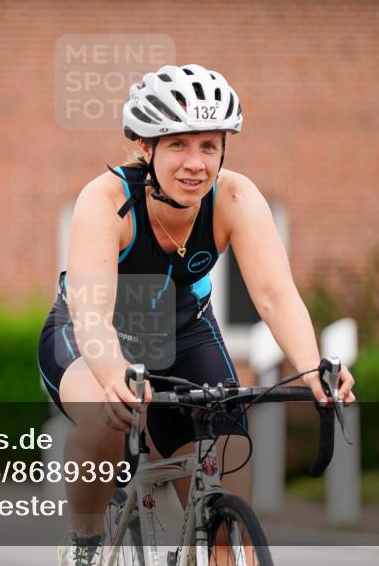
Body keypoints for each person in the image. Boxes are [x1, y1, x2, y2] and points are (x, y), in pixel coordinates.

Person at [37, 64, 356, 565]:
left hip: (184, 332)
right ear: (147, 148)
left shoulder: (234, 198)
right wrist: (116, 378)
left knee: (224, 467)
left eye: (209, 146)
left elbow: (274, 293)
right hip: (89, 336)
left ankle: (212, 541)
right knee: (107, 416)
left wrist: (314, 366)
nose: (196, 164)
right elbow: (92, 312)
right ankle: (84, 543)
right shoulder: (105, 201)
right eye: (179, 145)